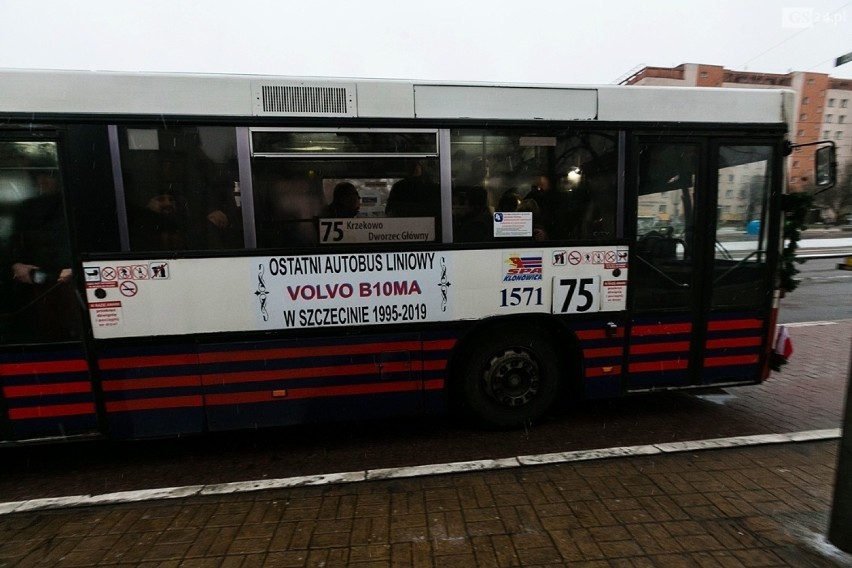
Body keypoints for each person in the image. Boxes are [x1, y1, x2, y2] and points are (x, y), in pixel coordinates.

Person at [9, 169, 80, 342]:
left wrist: (74, 267)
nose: (43, 181)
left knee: (73, 324)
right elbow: (16, 240)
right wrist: (17, 264)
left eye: (47, 176)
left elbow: (82, 238)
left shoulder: (72, 203)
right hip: (36, 277)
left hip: (70, 277)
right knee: (45, 326)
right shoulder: (27, 207)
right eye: (38, 177)